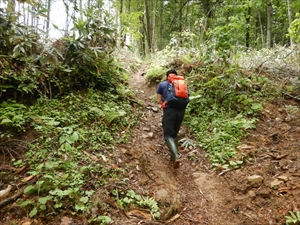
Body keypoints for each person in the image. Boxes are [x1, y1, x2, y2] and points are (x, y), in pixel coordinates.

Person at [156, 69, 186, 169]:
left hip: (169, 111)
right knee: (174, 134)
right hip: (181, 111)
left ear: (167, 76)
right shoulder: (182, 84)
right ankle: (173, 157)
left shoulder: (162, 84)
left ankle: (176, 155)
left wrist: (164, 103)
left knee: (168, 134)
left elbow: (158, 100)